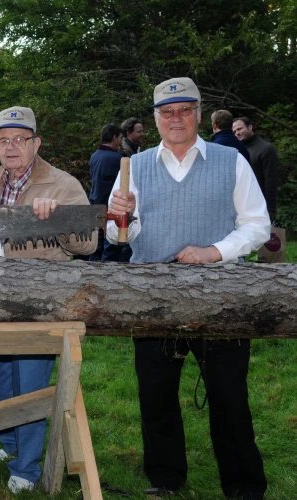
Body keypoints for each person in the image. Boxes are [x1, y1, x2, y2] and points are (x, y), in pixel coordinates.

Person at [107, 77, 269, 499]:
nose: (175, 119)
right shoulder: (133, 167)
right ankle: (165, 479)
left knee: (229, 395)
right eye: (166, 112)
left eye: (184, 110)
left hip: (221, 295)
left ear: (199, 113)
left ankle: (244, 485)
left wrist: (214, 251)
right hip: (154, 296)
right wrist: (119, 218)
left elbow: (257, 225)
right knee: (157, 396)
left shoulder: (230, 161)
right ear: (156, 118)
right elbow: (119, 238)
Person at [0, 106, 96, 494]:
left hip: (39, 300)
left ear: (36, 143)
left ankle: (26, 468)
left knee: (29, 381)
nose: (11, 147)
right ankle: (9, 447)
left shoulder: (62, 185)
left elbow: (88, 244)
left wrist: (57, 220)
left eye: (20, 139)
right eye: (3, 140)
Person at [87, 124, 131, 261]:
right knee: (110, 247)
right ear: (114, 137)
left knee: (96, 245)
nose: (121, 141)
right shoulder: (117, 159)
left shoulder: (95, 156)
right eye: (120, 138)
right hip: (109, 206)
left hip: (94, 203)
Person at [233, 116, 278, 222]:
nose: (237, 133)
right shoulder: (237, 151)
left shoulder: (266, 149)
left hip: (260, 206)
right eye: (234, 131)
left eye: (240, 129)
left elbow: (271, 180)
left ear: (250, 127)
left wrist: (270, 208)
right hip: (241, 205)